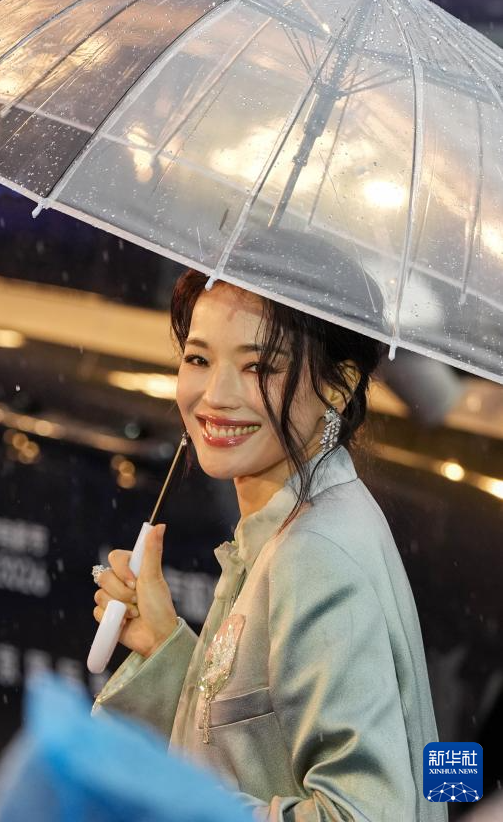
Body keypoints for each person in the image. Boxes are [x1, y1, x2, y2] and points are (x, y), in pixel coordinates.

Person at [91, 263, 447, 821]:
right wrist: (164, 648)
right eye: (198, 359)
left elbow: (365, 814)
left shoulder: (317, 556)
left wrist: (186, 805)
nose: (215, 395)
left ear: (338, 385)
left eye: (258, 366)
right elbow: (252, 750)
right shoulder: (291, 522)